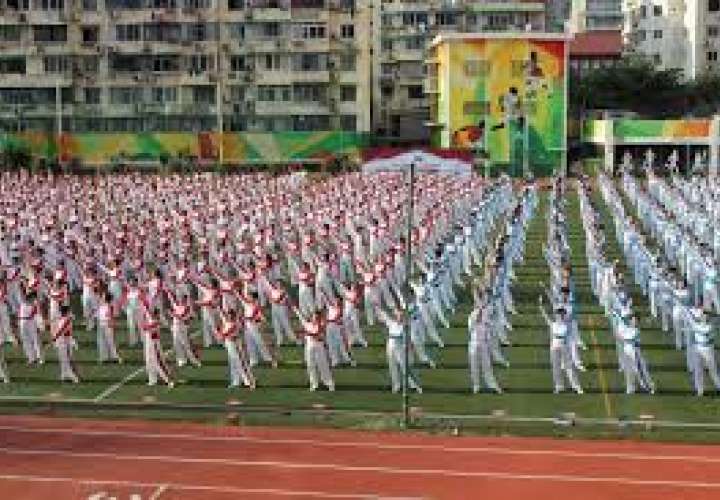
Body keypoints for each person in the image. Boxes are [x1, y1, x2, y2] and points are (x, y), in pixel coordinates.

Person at [375, 302, 423, 394]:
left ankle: (414, 385)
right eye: (397, 315)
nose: (399, 317)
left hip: (399, 348)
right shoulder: (391, 323)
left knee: (404, 367)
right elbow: (383, 315)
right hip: (390, 347)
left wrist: (410, 351)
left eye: (400, 315)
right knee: (392, 366)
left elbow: (408, 340)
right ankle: (396, 385)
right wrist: (378, 306)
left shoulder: (404, 326)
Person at [539, 299, 583, 394]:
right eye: (559, 314)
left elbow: (570, 317)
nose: (560, 316)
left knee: (569, 367)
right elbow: (545, 316)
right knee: (556, 367)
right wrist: (541, 305)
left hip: (564, 347)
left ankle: (576, 386)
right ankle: (559, 386)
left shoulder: (567, 324)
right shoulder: (553, 324)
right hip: (554, 348)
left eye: (562, 314)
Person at [293, 306, 335, 392]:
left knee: (323, 365)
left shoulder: (322, 325)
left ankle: (329, 383)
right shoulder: (307, 324)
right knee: (310, 365)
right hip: (309, 347)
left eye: (316, 317)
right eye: (313, 316)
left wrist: (309, 335)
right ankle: (314, 384)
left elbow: (320, 336)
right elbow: (300, 316)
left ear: (319, 318)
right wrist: (295, 308)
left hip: (319, 347)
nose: (314, 318)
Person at [468, 294, 502, 394]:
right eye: (478, 305)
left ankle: (492, 385)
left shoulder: (486, 315)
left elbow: (491, 325)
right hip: (474, 343)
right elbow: (472, 326)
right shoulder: (472, 316)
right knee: (474, 365)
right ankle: (476, 385)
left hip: (484, 343)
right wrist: (480, 314)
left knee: (487, 365)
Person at [215, 307, 255, 389]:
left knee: (241, 362)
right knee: (232, 363)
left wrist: (223, 335)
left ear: (233, 316)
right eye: (228, 315)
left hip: (236, 345)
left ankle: (250, 382)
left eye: (230, 315)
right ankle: (236, 381)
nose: (228, 317)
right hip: (229, 345)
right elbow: (221, 314)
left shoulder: (236, 324)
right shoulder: (226, 323)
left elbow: (234, 335)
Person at [51, 304, 79, 383]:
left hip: (66, 339)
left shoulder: (66, 319)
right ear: (66, 312)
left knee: (67, 358)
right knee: (65, 358)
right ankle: (68, 375)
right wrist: (55, 337)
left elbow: (62, 329)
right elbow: (61, 330)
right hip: (63, 340)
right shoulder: (65, 319)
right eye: (69, 311)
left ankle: (66, 375)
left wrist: (55, 337)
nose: (71, 312)